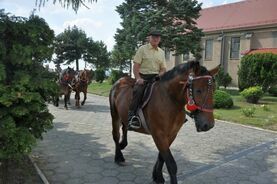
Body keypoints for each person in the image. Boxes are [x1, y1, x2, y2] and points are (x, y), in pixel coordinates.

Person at [128, 30, 167, 130]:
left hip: (156, 77)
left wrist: (160, 75)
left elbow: (163, 69)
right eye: (154, 37)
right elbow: (136, 66)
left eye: (158, 37)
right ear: (149, 38)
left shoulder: (162, 52)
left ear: (160, 39)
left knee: (169, 90)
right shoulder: (142, 49)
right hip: (143, 77)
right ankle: (131, 116)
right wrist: (138, 78)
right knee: (138, 91)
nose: (156, 39)